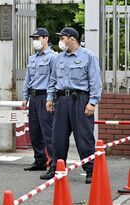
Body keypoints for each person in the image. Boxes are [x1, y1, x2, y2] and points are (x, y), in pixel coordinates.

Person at [42, 27, 102, 184]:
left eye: (63, 38)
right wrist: (50, 98)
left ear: (72, 39)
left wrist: (92, 102)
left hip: (80, 100)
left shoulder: (88, 56)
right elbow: (53, 80)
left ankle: (91, 170)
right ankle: (56, 168)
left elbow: (95, 81)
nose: (60, 41)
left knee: (84, 137)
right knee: (58, 137)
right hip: (61, 101)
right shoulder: (58, 58)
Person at [22, 28, 56, 172]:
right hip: (34, 97)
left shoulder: (53, 57)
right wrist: (25, 97)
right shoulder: (32, 58)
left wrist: (51, 98)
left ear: (46, 38)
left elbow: (54, 79)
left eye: (38, 38)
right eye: (34, 38)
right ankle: (39, 160)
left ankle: (54, 163)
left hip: (45, 96)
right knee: (34, 131)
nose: (35, 41)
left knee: (48, 132)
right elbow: (27, 79)